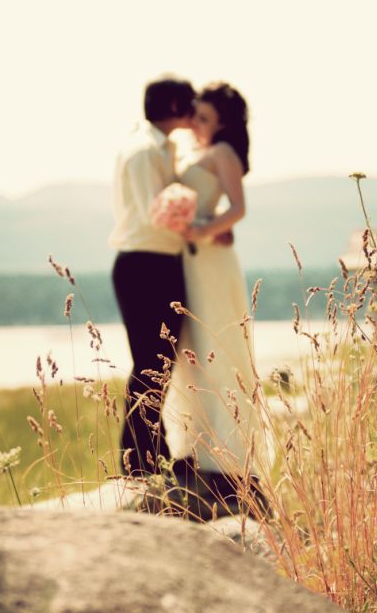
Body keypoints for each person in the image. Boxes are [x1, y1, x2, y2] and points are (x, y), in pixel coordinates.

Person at [164, 82, 268, 512]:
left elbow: (238, 209)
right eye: (197, 117)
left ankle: (231, 457)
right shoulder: (191, 150)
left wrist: (201, 229)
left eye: (206, 118)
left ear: (223, 122)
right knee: (190, 351)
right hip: (191, 260)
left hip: (211, 260)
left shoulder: (222, 153)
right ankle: (195, 449)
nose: (198, 125)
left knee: (217, 350)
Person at [109, 76, 195, 477]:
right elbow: (154, 215)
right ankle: (140, 462)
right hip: (146, 264)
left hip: (157, 263)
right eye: (189, 101)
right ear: (175, 106)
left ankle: (151, 454)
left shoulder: (158, 146)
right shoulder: (145, 151)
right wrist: (204, 224)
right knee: (151, 363)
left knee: (157, 364)